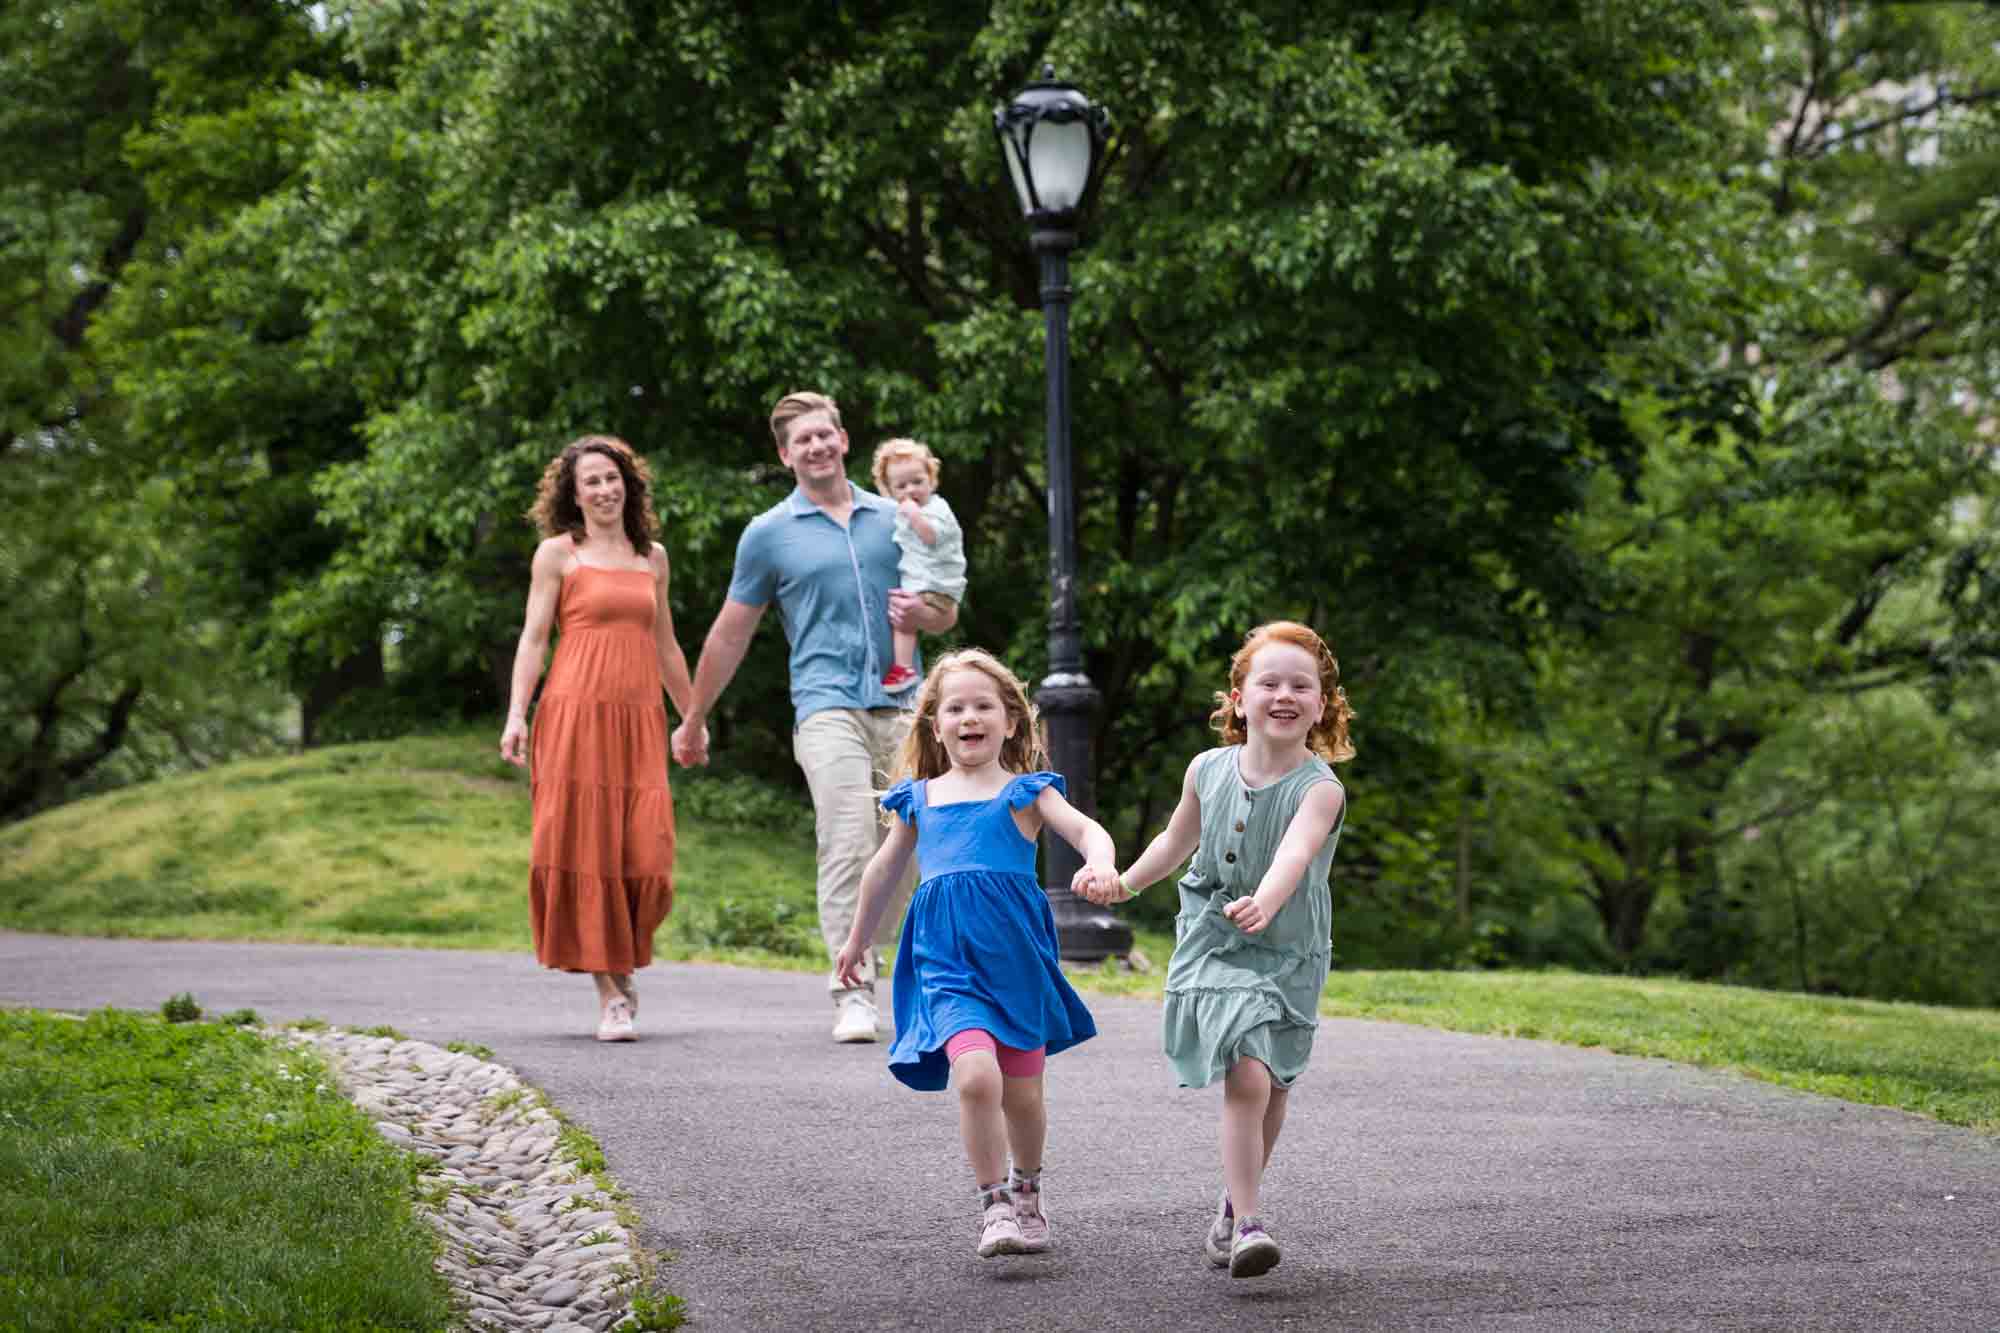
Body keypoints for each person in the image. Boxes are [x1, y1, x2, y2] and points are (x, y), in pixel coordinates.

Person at [672, 391, 958, 1043]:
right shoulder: (769, 534)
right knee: (848, 832)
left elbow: (943, 607)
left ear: (844, 439)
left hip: (907, 702)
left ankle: (916, 977)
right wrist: (693, 717)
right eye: (803, 439)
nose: (817, 447)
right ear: (784, 453)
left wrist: (929, 617)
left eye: (825, 434)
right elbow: (729, 633)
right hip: (826, 704)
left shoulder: (897, 516)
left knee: (913, 841)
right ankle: (853, 986)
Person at [1078, 620, 1354, 1278]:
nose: (1284, 695)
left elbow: (1297, 850)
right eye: (1269, 682)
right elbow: (1176, 841)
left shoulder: (1321, 788)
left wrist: (1269, 897)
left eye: (1301, 686)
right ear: (1238, 697)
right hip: (1215, 934)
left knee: (1276, 1080)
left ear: (1321, 705)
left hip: (1288, 943)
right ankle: (1252, 1223)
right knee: (1248, 1070)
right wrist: (1124, 884)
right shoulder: (1206, 768)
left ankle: (1233, 1202)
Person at [833, 648, 1110, 1259]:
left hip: (1016, 965)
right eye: (955, 707)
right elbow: (881, 871)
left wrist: (1102, 861)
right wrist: (855, 941)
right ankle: (994, 1205)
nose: (969, 717)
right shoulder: (919, 799)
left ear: (1011, 720)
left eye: (983, 705)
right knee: (976, 1077)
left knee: (1024, 1096)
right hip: (946, 965)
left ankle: (1027, 1187)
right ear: (937, 726)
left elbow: (1087, 830)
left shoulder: (1026, 793)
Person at [500, 435, 698, 1043]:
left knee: (644, 848)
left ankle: (622, 960)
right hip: (574, 715)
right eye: (591, 481)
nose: (604, 490)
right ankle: (610, 992)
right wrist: (516, 714)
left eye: (612, 479)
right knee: (586, 847)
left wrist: (692, 717)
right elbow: (534, 638)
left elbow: (664, 644)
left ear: (628, 486)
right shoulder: (558, 555)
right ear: (574, 492)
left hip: (637, 719)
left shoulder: (652, 557)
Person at [869, 438, 967, 694]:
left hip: (934, 585)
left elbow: (931, 537)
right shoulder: (897, 512)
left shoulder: (936, 508)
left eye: (918, 482)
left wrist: (914, 515)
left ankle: (903, 668)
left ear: (931, 479)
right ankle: (903, 667)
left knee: (903, 620)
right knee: (905, 622)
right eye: (901, 486)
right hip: (932, 586)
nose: (911, 490)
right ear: (888, 491)